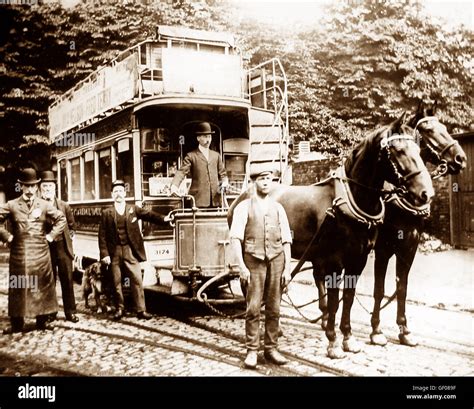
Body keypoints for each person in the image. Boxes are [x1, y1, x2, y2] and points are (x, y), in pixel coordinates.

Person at [230, 164, 292, 369]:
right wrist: (241, 266)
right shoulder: (243, 207)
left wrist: (288, 269)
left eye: (270, 179)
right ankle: (251, 350)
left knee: (274, 308)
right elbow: (235, 239)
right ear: (254, 182)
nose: (266, 182)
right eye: (262, 179)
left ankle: (271, 348)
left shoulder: (279, 208)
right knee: (253, 307)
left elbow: (286, 241)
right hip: (253, 261)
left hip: (277, 260)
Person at [0, 168, 66, 333]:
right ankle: (16, 323)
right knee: (18, 287)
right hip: (19, 253)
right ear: (21, 186)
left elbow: (61, 218)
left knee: (41, 286)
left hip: (40, 254)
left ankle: (42, 321)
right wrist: (7, 237)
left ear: (37, 187)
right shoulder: (12, 205)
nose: (29, 190)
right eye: (26, 186)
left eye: (32, 186)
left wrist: (51, 236)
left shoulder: (44, 205)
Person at [98, 180, 168, 320]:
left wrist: (164, 218)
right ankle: (120, 309)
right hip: (114, 252)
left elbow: (149, 215)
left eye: (120, 191)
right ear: (112, 195)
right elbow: (102, 236)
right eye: (115, 192)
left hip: (130, 250)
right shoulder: (107, 213)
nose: (118, 194)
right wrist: (105, 254)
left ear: (125, 193)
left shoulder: (133, 209)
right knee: (117, 281)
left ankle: (141, 310)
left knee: (136, 279)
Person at [39, 170, 79, 323]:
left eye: (50, 186)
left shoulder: (64, 206)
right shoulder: (38, 205)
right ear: (40, 188)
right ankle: (51, 312)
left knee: (67, 280)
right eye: (44, 186)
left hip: (63, 247)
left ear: (55, 188)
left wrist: (69, 239)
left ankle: (70, 312)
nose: (47, 189)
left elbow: (72, 226)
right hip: (45, 248)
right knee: (49, 281)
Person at [170, 121, 229, 207]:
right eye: (205, 137)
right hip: (198, 201)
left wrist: (225, 182)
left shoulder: (216, 156)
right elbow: (181, 172)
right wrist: (174, 186)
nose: (208, 140)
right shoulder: (191, 156)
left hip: (216, 201)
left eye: (209, 136)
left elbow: (223, 174)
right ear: (198, 138)